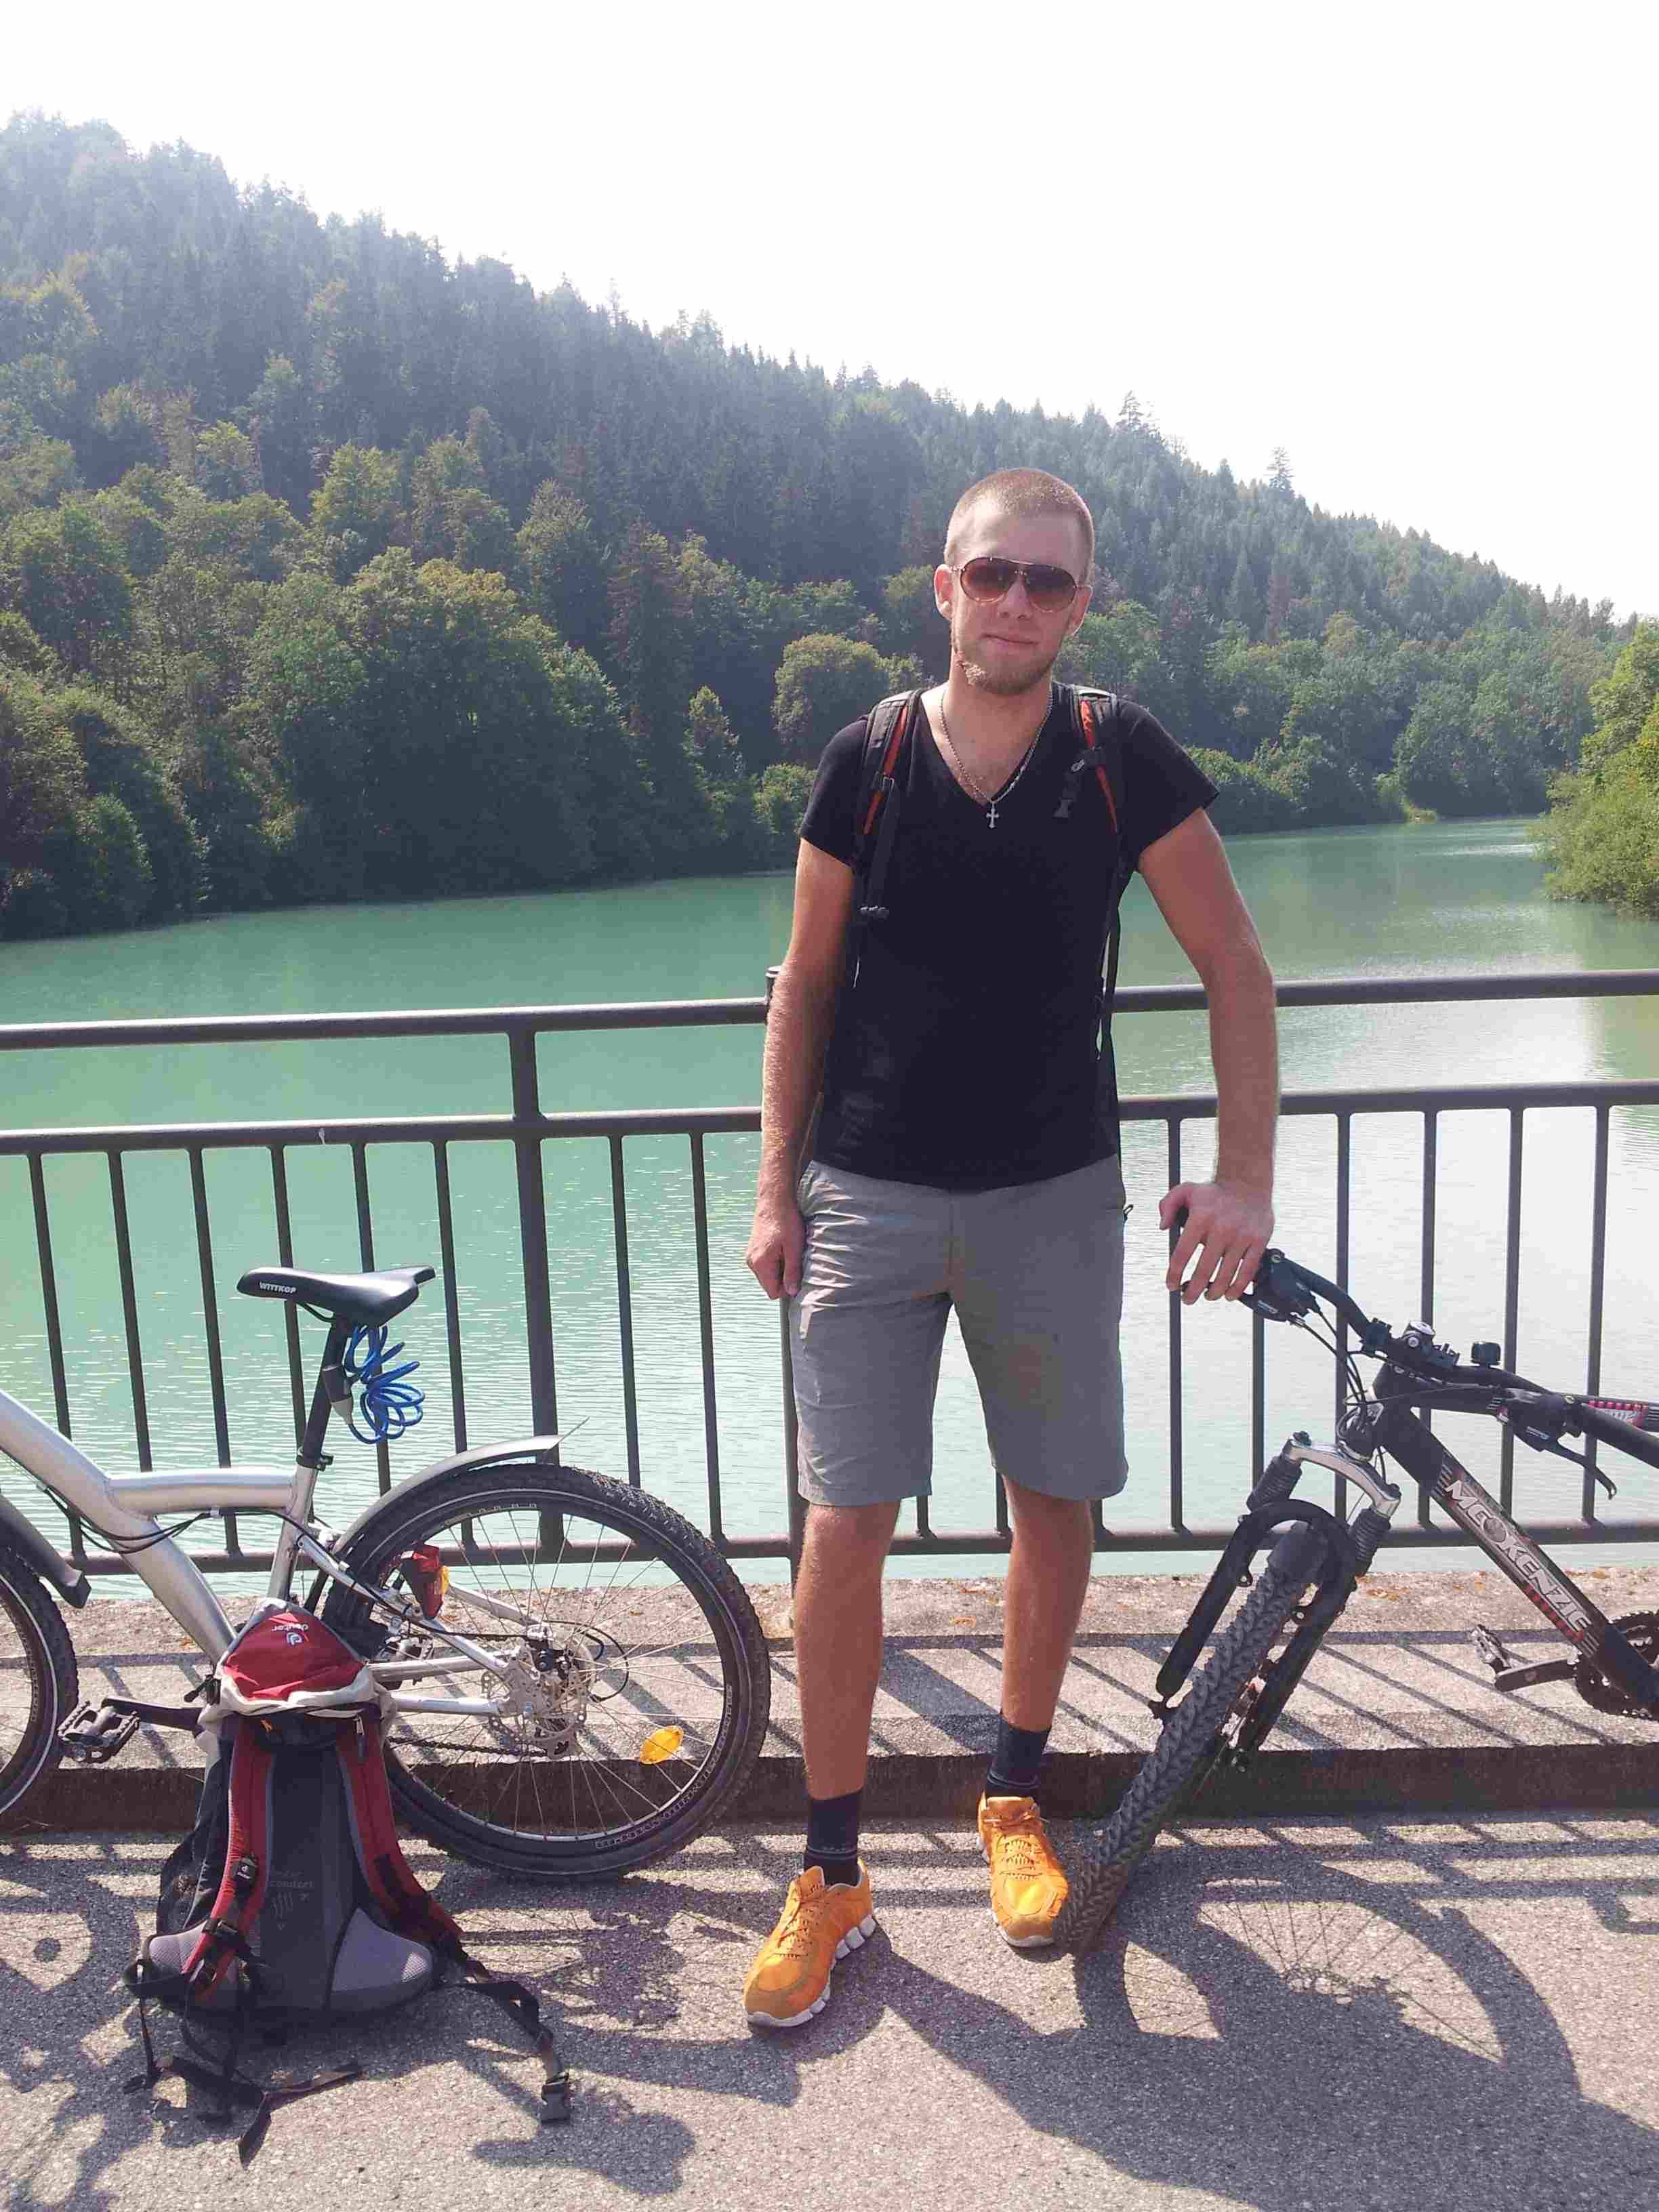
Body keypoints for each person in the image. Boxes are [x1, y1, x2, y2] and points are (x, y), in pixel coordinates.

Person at [741, 467, 1277, 2027]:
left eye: (1048, 580)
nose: (1018, 602)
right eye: (994, 574)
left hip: (1052, 1193)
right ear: (946, 587)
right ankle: (832, 1873)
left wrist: (1245, 1182)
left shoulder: (1117, 755)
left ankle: (1013, 1798)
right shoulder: (869, 759)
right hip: (867, 1195)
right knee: (845, 1523)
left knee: (1053, 1503)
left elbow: (1236, 969)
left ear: (1081, 603)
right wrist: (775, 1189)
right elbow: (804, 986)